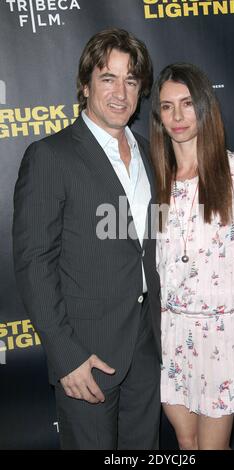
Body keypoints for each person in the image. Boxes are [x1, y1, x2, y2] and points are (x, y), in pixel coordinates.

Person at [13, 28, 161, 450]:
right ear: (85, 84)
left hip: (148, 348)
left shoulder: (152, 153)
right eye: (107, 78)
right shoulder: (50, 156)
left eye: (131, 80)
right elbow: (33, 262)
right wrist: (65, 355)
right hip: (87, 355)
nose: (120, 92)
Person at [150, 63, 234, 450]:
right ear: (158, 115)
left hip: (225, 334)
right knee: (186, 442)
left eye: (187, 104)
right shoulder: (159, 184)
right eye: (167, 106)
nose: (177, 116)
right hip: (173, 333)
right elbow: (158, 261)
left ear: (204, 108)